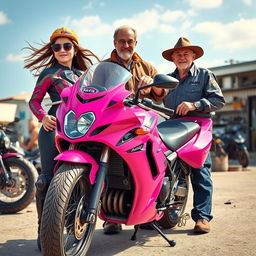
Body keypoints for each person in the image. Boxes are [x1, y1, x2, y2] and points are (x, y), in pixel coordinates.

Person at [24, 27, 100, 250]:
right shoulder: (49, 73)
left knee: (80, 179)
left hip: (83, 130)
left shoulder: (86, 75)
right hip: (54, 128)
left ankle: (71, 226)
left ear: (75, 49)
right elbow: (34, 101)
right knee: (45, 180)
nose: (62, 50)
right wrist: (42, 116)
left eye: (67, 45)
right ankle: (43, 229)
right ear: (53, 51)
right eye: (57, 47)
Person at [103, 25, 167, 234]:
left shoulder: (146, 66)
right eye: (122, 41)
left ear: (136, 43)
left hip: (142, 125)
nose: (126, 45)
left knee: (150, 164)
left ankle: (148, 210)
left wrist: (152, 86)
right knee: (111, 168)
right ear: (114, 43)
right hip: (115, 125)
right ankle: (110, 216)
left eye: (130, 41)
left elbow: (162, 92)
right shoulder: (104, 67)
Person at [162, 37, 225, 233]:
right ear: (172, 58)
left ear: (193, 56)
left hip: (198, 128)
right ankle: (162, 214)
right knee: (165, 171)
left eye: (186, 54)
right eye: (178, 54)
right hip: (172, 130)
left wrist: (195, 104)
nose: (182, 57)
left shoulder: (205, 75)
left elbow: (219, 100)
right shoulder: (167, 80)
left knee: (200, 172)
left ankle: (202, 218)